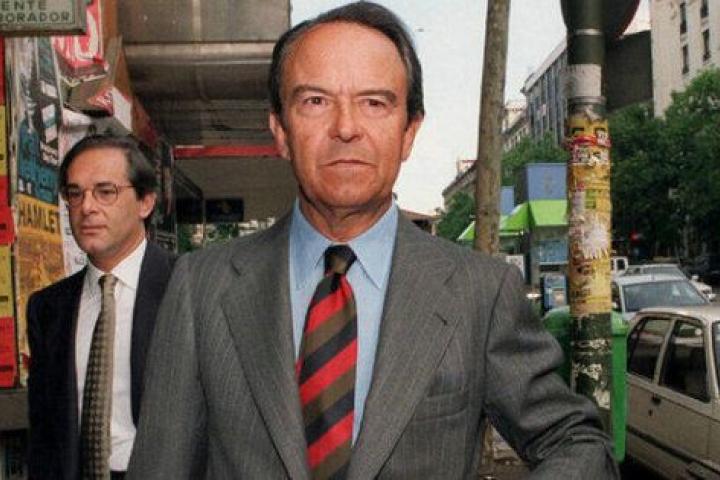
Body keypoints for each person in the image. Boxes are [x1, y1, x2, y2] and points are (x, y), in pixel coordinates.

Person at [128, 2, 619, 478]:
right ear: (280, 130)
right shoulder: (199, 288)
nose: (346, 128)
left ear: (409, 132)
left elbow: (578, 443)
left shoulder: (481, 293)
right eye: (315, 101)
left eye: (374, 103)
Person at [27, 135, 176, 480]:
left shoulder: (187, 289)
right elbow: (44, 433)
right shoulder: (48, 308)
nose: (87, 207)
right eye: (75, 194)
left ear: (145, 202)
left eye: (105, 192)